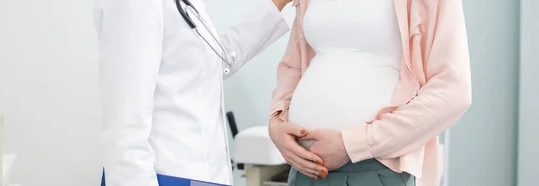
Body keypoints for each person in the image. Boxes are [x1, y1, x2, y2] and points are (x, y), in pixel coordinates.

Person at [92, 0, 298, 185]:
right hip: (164, 176)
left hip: (202, 175)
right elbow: (124, 134)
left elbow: (213, 64)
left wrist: (276, 4)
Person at [268, 0, 471, 185]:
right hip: (304, 171)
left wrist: (351, 144)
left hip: (375, 170)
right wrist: (277, 121)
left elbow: (453, 91)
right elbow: (292, 65)